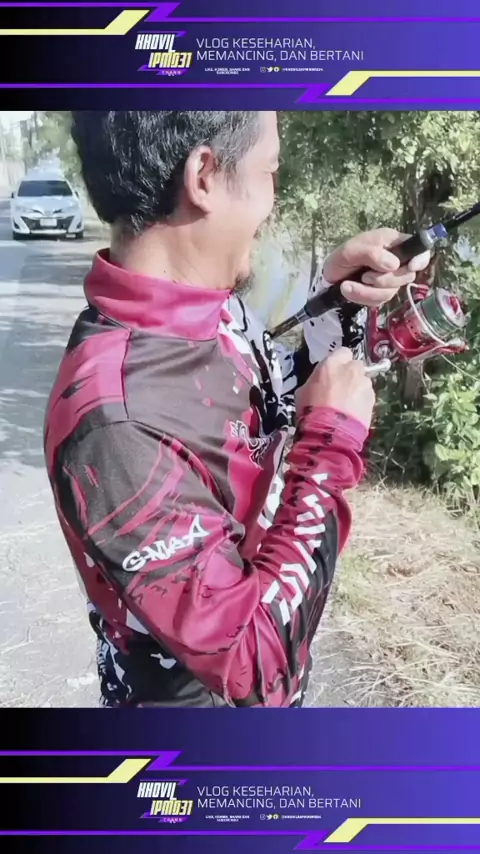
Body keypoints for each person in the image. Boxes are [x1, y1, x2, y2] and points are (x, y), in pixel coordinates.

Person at [43, 111, 430, 708]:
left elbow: (265, 407)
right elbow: (255, 665)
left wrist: (335, 302)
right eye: (270, 171)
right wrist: (329, 448)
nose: (274, 199)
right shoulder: (115, 427)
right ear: (203, 175)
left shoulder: (208, 305)